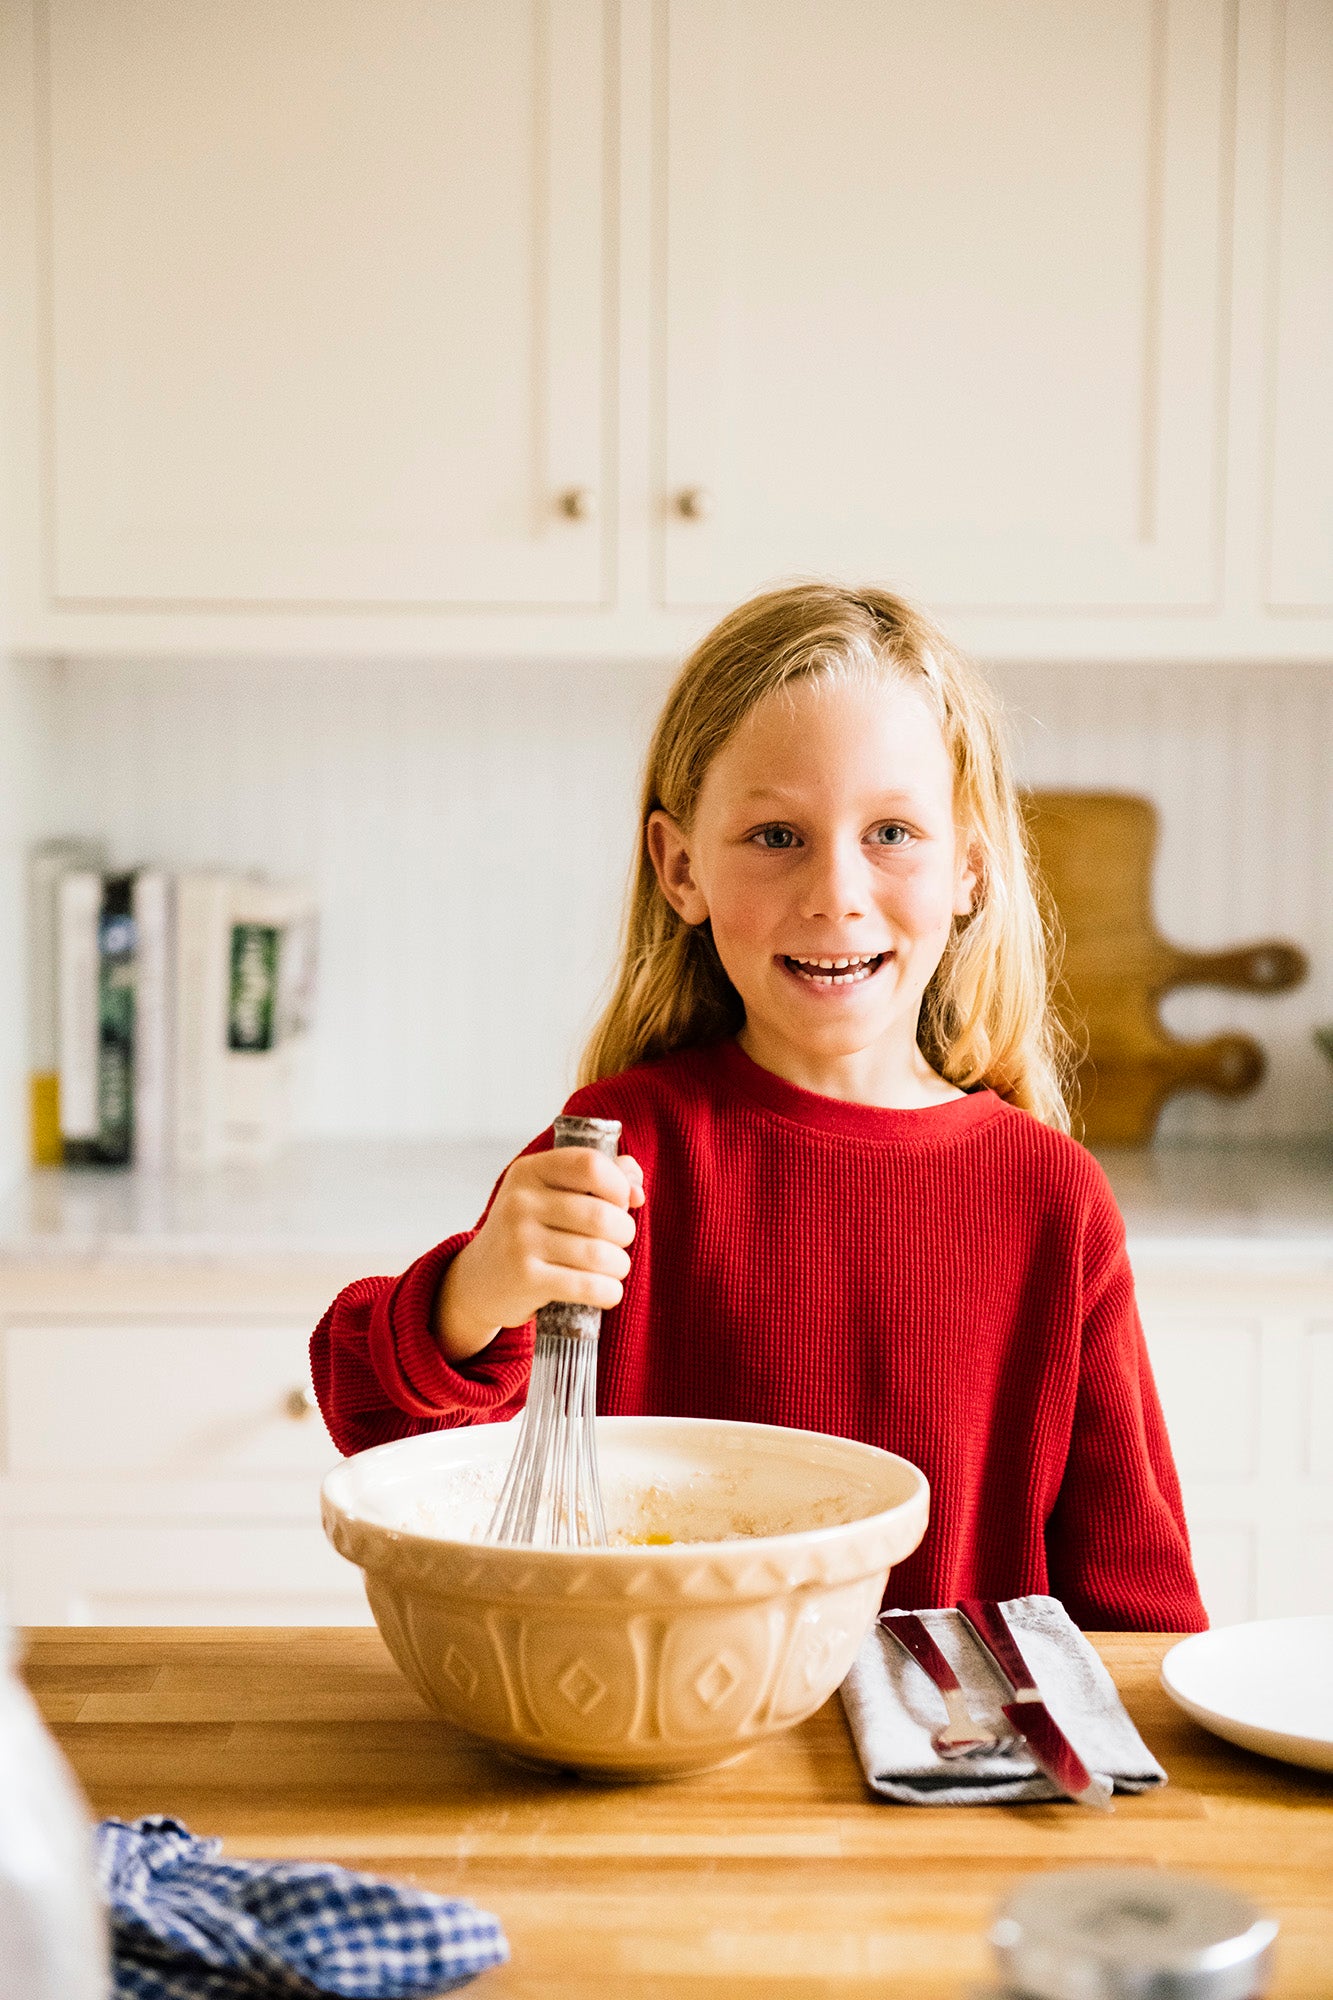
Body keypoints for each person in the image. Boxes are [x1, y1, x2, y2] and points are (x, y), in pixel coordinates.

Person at [312, 583, 1206, 1632]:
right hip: (653, 1726)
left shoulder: (1049, 1197)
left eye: (891, 831)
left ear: (969, 867)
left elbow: (1140, 1610)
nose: (835, 893)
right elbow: (377, 1423)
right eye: (776, 835)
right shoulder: (622, 1153)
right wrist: (476, 1292)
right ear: (679, 867)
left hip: (945, 1742)